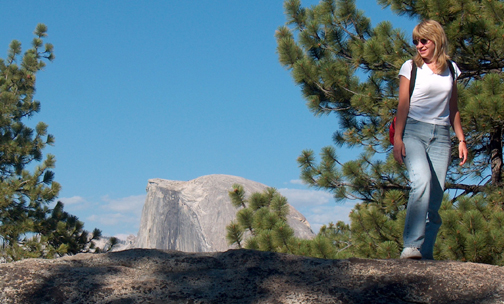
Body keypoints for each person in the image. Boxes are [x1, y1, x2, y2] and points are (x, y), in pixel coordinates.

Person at [393, 20, 468, 260]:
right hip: (413, 132)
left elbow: (453, 107)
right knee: (421, 182)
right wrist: (398, 138)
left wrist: (461, 139)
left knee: (435, 199)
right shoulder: (410, 68)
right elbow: (402, 106)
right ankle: (411, 246)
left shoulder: (452, 70)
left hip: (442, 136)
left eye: (423, 40)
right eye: (416, 41)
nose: (419, 45)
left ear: (436, 39)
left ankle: (425, 254)